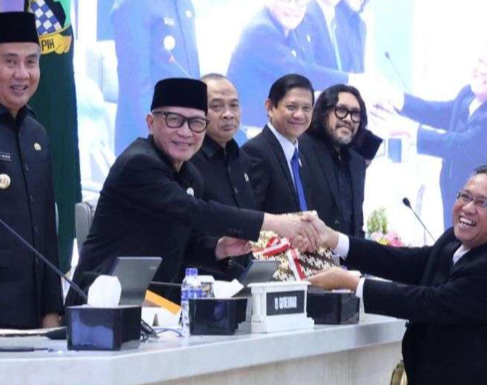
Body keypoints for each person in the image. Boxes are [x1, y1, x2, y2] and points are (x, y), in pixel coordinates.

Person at [308, 166, 487, 385]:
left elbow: (432, 302)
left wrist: (354, 284)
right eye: (465, 196)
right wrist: (335, 241)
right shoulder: (453, 242)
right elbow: (407, 263)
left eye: (482, 203)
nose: (468, 208)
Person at [68, 78, 322, 304]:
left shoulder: (189, 174)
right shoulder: (139, 163)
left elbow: (183, 244)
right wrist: (275, 223)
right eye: (174, 120)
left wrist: (220, 248)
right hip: (101, 302)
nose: (185, 132)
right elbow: (194, 211)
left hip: (155, 305)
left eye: (196, 123)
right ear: (151, 123)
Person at [378, 42, 487, 230]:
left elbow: (462, 144)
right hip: (453, 190)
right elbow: (440, 113)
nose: (481, 70)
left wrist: (411, 131)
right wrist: (400, 100)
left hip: (479, 201)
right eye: (480, 61)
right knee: (452, 240)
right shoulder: (467, 94)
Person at [0, 12, 63, 329]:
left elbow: (46, 234)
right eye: (10, 62)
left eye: (31, 62)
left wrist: (51, 312)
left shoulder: (37, 135)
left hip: (30, 321)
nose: (22, 74)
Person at [227, 0, 349, 128]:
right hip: (250, 129)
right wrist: (348, 79)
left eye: (300, 1)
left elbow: (309, 70)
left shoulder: (295, 28)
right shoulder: (261, 30)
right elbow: (296, 72)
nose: (293, 7)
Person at [112, 0, 201, 155]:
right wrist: (154, 137)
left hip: (183, 134)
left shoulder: (184, 4)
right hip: (149, 139)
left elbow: (191, 75)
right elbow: (134, 84)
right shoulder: (134, 3)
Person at [190, 74, 257, 278]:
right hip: (201, 280)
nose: (228, 114)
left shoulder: (243, 159)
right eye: (216, 106)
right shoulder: (187, 160)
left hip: (244, 279)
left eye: (234, 106)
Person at [243, 74, 324, 218]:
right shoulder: (256, 151)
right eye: (291, 107)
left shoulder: (300, 154)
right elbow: (252, 216)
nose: (299, 115)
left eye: (306, 108)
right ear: (269, 107)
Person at [300, 84, 368, 237]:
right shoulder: (301, 148)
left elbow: (357, 223)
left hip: (348, 251)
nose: (349, 119)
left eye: (355, 114)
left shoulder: (357, 163)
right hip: (308, 248)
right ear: (324, 112)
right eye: (342, 110)